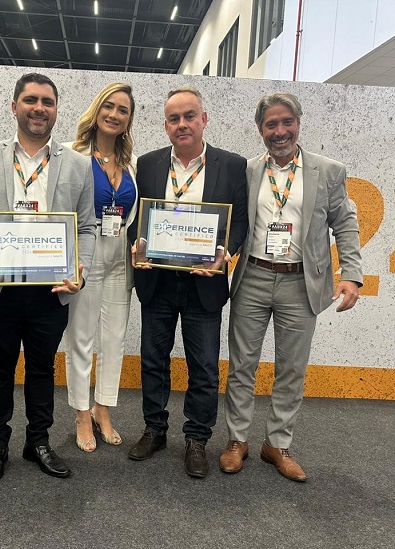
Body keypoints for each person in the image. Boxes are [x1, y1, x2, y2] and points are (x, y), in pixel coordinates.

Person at [220, 93, 362, 482]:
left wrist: (351, 272)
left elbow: (345, 223)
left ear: (298, 123)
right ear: (260, 129)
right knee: (242, 366)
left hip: (302, 282)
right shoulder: (246, 171)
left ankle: (277, 444)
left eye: (286, 123)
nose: (279, 132)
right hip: (253, 277)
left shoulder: (329, 171)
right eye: (271, 125)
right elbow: (231, 221)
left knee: (291, 369)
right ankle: (236, 440)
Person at [0, 73, 96, 483]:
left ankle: (38, 441)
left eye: (47, 101)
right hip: (0, 288)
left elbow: (88, 227)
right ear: (14, 106)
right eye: (30, 100)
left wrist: (81, 271)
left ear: (56, 109)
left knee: (42, 369)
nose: (39, 108)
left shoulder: (77, 163)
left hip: (50, 289)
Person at [126, 87, 248, 478]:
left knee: (204, 367)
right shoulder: (147, 165)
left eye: (189, 116)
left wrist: (224, 251)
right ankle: (155, 428)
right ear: (165, 125)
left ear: (204, 119)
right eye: (174, 118)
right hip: (157, 281)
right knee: (152, 360)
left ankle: (197, 438)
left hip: (204, 282)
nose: (182, 124)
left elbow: (241, 221)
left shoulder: (232, 165)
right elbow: (137, 220)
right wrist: (138, 245)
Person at [64, 83, 138, 453]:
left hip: (120, 259)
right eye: (108, 106)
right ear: (96, 110)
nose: (114, 114)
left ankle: (103, 408)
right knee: (81, 339)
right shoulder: (72, 156)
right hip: (86, 257)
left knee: (113, 340)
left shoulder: (130, 165)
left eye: (122, 110)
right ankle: (80, 412)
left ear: (128, 120)